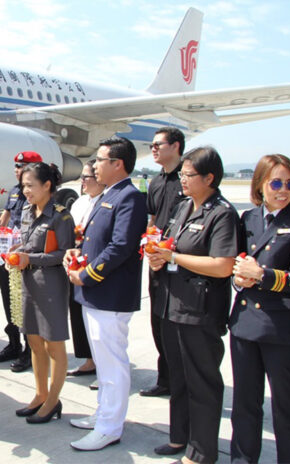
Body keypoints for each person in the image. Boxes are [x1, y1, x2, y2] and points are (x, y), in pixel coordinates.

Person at [146, 146, 239, 463]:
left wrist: (172, 257)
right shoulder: (184, 206)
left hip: (199, 312)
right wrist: (158, 257)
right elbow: (170, 243)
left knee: (202, 383)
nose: (183, 180)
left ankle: (201, 451)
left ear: (209, 177)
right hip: (171, 305)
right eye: (182, 174)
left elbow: (223, 265)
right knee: (179, 377)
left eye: (188, 175)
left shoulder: (222, 213)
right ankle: (179, 437)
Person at [229, 155, 290, 463]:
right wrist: (240, 278)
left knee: (286, 406)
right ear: (260, 184)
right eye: (277, 183)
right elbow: (237, 262)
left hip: (281, 329)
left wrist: (261, 275)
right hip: (244, 324)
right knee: (245, 403)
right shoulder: (248, 219)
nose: (284, 190)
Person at [66, 136, 147, 451]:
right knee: (102, 360)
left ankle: (110, 426)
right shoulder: (106, 195)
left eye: (100, 160)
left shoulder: (130, 197)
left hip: (110, 294)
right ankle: (103, 413)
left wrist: (87, 274)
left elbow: (121, 247)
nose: (94, 165)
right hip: (95, 293)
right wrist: (77, 258)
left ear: (118, 164)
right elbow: (94, 240)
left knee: (112, 364)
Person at [9, 162, 74, 424]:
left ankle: (52, 401)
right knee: (34, 342)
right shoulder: (26, 210)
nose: (25, 190)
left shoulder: (61, 216)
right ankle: (40, 394)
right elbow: (25, 243)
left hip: (51, 284)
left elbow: (65, 254)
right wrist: (14, 253)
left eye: (30, 185)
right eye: (23, 185)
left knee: (54, 345)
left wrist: (30, 257)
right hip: (28, 281)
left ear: (47, 185)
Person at [141, 126, 186, 398]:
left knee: (178, 325)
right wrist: (149, 244)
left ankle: (183, 379)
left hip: (182, 262)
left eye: (159, 144)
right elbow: (153, 219)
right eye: (152, 145)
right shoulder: (156, 182)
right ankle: (165, 378)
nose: (154, 149)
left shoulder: (189, 179)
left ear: (177, 146)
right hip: (157, 259)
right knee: (158, 320)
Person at [0, 150, 42, 372]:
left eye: (21, 166)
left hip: (24, 256)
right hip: (6, 254)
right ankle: (13, 344)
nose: (17, 170)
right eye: (16, 166)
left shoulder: (39, 193)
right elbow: (6, 216)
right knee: (9, 301)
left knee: (26, 305)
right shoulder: (14, 191)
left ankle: (29, 352)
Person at [66, 161, 102, 377]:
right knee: (77, 313)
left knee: (96, 319)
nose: (83, 181)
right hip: (75, 262)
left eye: (87, 177)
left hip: (93, 264)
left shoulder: (106, 202)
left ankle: (101, 363)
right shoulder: (79, 203)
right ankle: (88, 360)